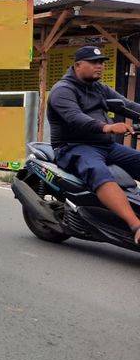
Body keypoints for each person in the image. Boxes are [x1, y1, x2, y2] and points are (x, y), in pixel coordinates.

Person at [48, 45, 140, 243]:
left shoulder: (99, 88)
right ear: (78, 65)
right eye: (94, 62)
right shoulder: (62, 90)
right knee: (99, 173)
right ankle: (136, 225)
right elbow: (75, 117)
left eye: (101, 62)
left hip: (105, 146)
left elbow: (127, 106)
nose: (99, 66)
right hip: (73, 146)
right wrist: (107, 127)